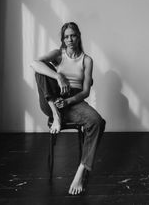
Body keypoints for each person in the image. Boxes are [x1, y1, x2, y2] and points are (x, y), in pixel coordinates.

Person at [30, 22, 105, 195]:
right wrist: (58, 76)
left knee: (97, 121)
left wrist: (70, 101)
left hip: (74, 100)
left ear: (79, 36)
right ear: (63, 39)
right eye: (66, 36)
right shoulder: (58, 53)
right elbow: (34, 63)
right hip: (53, 99)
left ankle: (81, 170)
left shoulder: (87, 60)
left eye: (73, 35)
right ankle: (56, 116)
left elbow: (85, 91)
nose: (69, 39)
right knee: (41, 68)